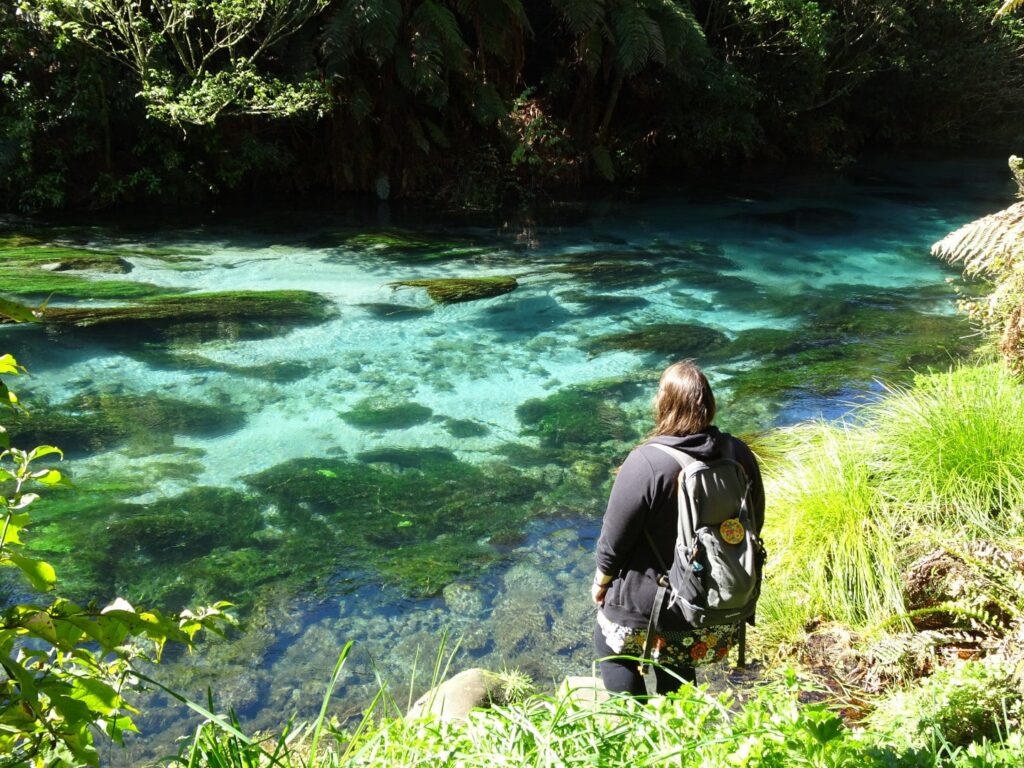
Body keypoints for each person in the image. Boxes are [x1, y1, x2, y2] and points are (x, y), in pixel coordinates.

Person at [591, 359, 765, 696]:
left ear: (663, 405)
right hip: (709, 608)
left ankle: (637, 732)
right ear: (709, 403)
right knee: (678, 660)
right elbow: (754, 522)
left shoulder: (646, 462)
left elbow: (613, 544)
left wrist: (601, 582)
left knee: (611, 651)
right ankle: (679, 730)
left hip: (646, 610)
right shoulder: (738, 453)